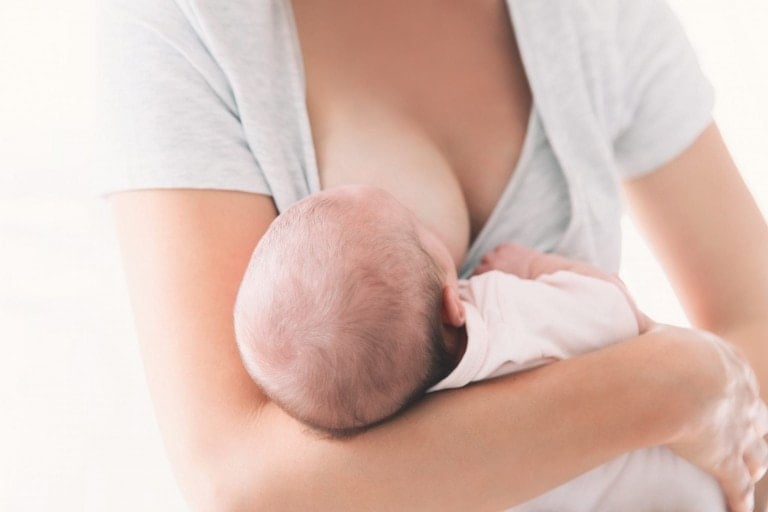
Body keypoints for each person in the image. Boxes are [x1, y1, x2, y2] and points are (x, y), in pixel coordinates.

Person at [100, 0, 768, 510]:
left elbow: (756, 321)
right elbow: (246, 483)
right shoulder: (189, 21)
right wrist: (663, 387)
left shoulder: (591, 15)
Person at [234, 184, 728, 510]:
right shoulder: (502, 312)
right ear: (453, 305)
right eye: (421, 231)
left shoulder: (403, 439)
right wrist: (533, 267)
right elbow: (612, 311)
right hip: (674, 495)